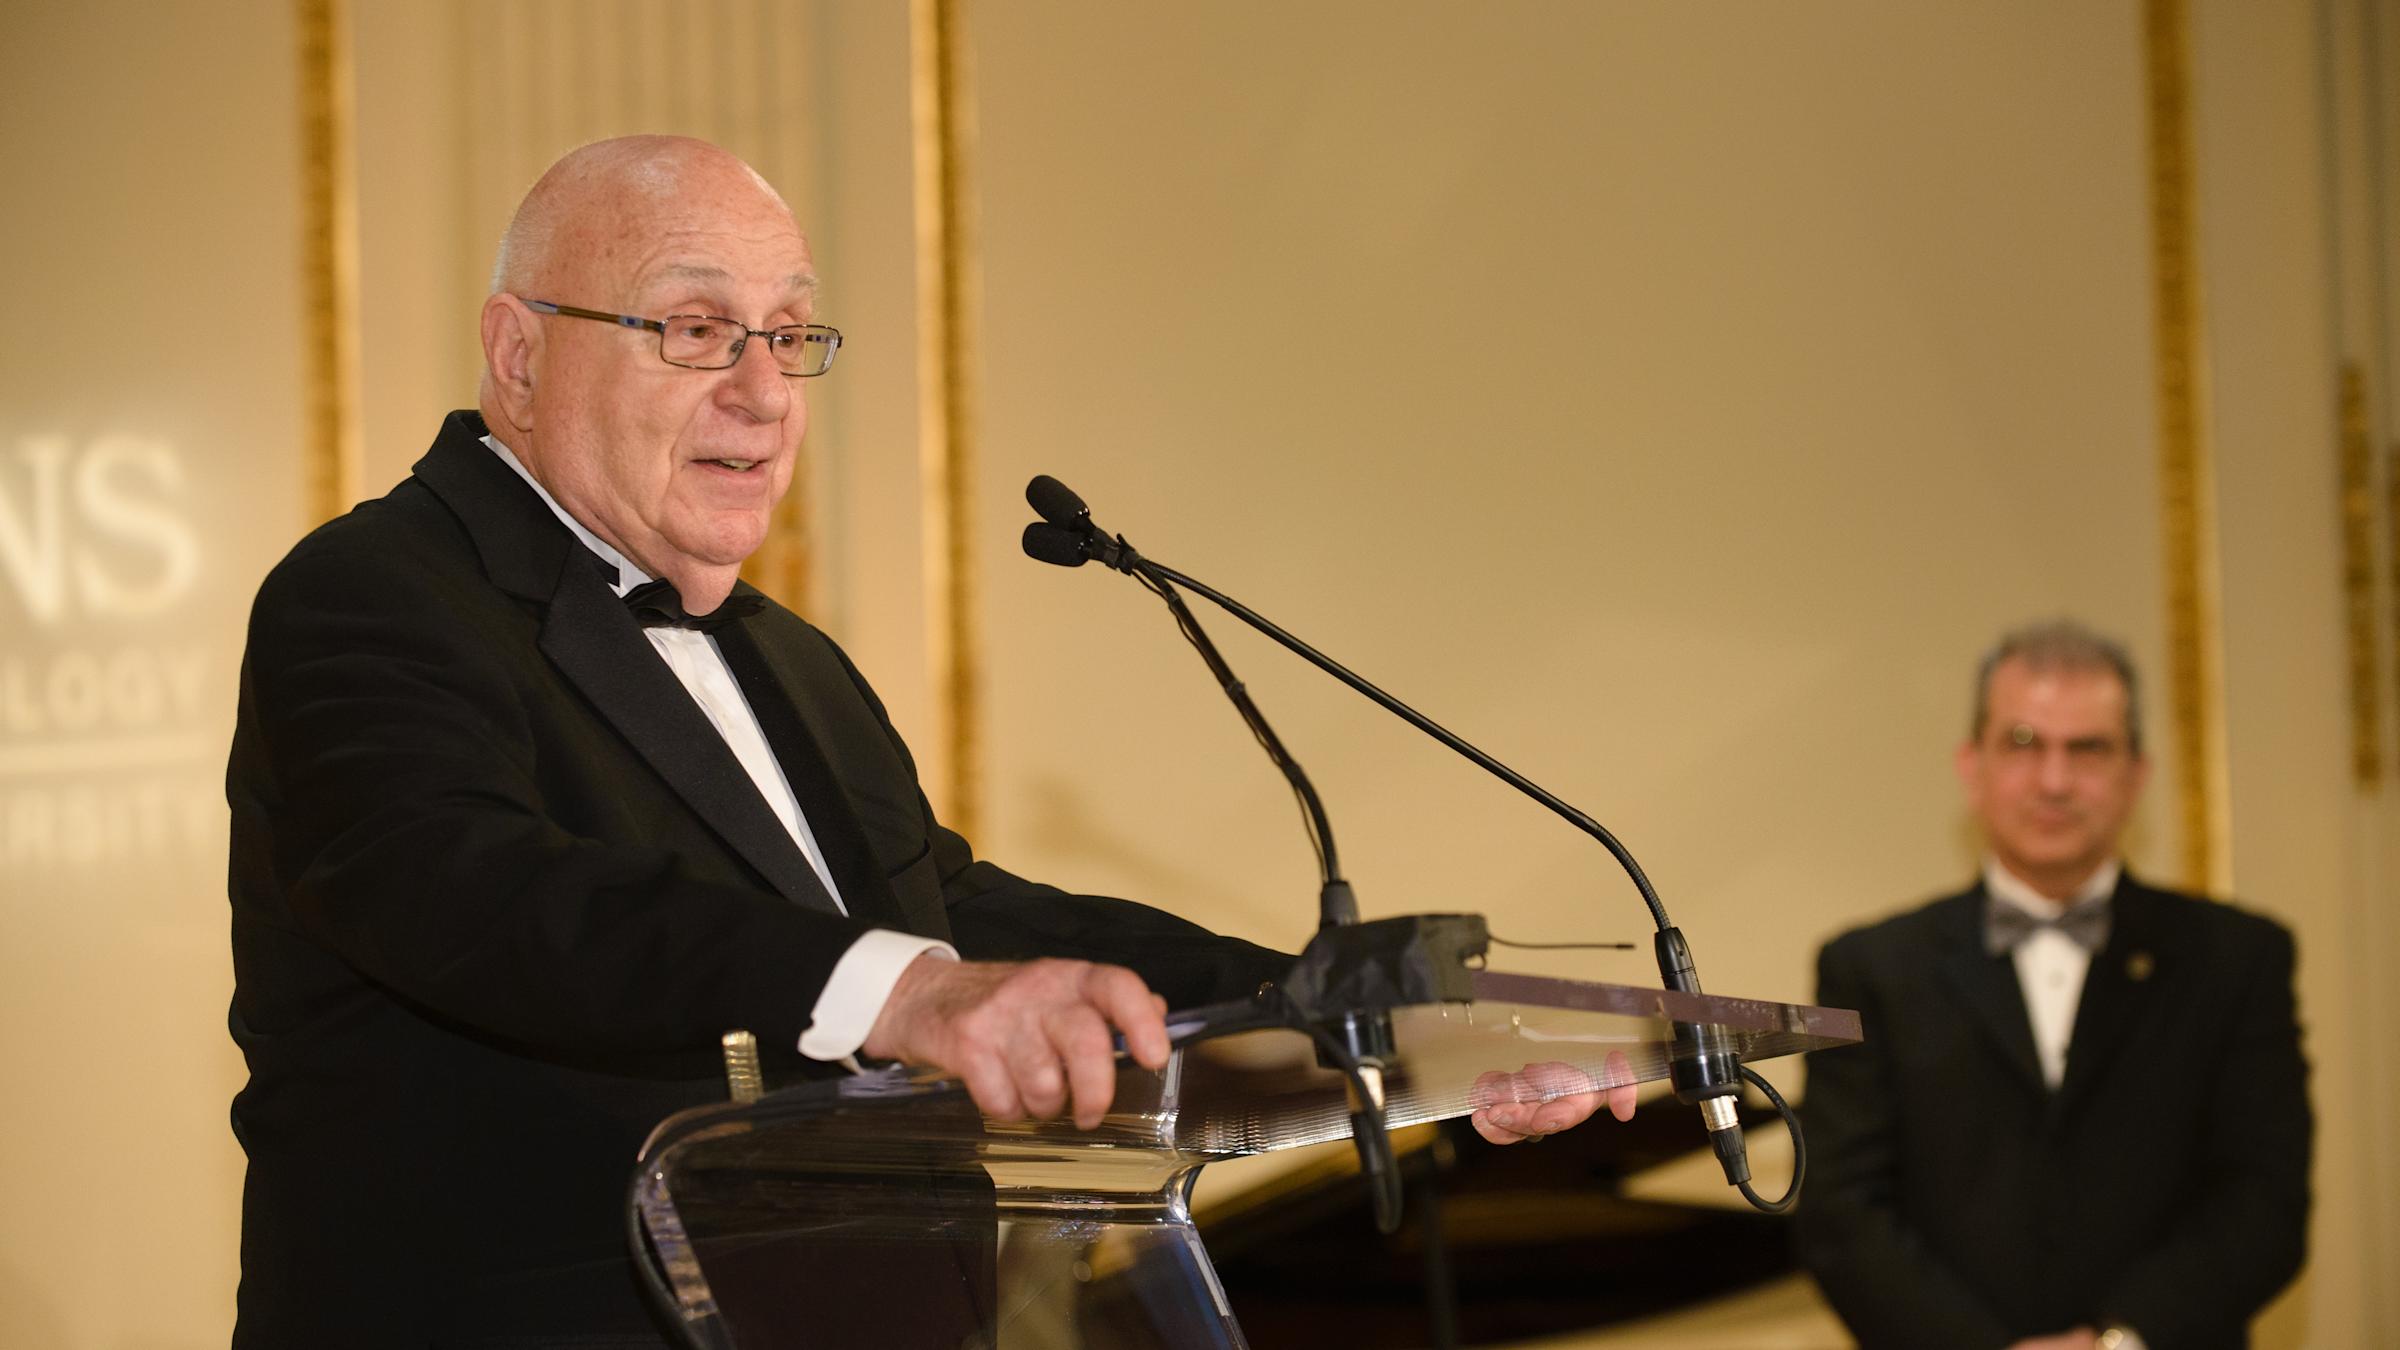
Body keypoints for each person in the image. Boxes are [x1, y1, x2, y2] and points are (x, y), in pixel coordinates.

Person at [226, 135, 1603, 1348]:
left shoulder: (787, 657)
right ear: (520, 353)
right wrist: (905, 993)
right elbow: (472, 892)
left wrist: (1351, 1014)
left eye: (792, 333)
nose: (765, 393)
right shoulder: (373, 592)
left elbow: (951, 914)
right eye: (698, 329)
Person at [1796, 620, 2311, 1350]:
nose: (2055, 781)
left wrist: (2116, 1341)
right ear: (1972, 767)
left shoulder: (2238, 958)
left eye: (2089, 748)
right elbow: (1841, 1213)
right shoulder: (1871, 969)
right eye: (2024, 743)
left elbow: (2264, 1203)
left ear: (2138, 773)